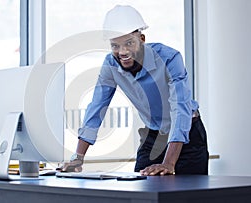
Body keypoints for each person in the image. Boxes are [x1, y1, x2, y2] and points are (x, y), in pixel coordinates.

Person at [59, 5, 209, 176]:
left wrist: (168, 163)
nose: (122, 52)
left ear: (142, 39)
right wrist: (78, 158)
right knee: (140, 190)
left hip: (188, 135)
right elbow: (96, 108)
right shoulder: (111, 65)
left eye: (129, 43)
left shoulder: (170, 58)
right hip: (153, 136)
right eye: (115, 45)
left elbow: (180, 109)